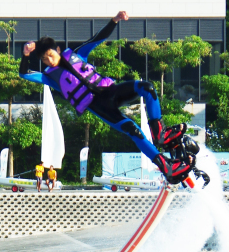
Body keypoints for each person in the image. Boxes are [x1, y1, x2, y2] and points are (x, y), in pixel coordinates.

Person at [20, 11, 208, 186]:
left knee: (147, 88)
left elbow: (97, 39)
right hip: (100, 107)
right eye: (45, 60)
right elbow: (25, 74)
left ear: (58, 50)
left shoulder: (77, 54)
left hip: (112, 92)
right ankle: (166, 166)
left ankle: (161, 134)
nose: (50, 61)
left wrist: (115, 20)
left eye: (50, 56)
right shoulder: (49, 77)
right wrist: (26, 55)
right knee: (133, 131)